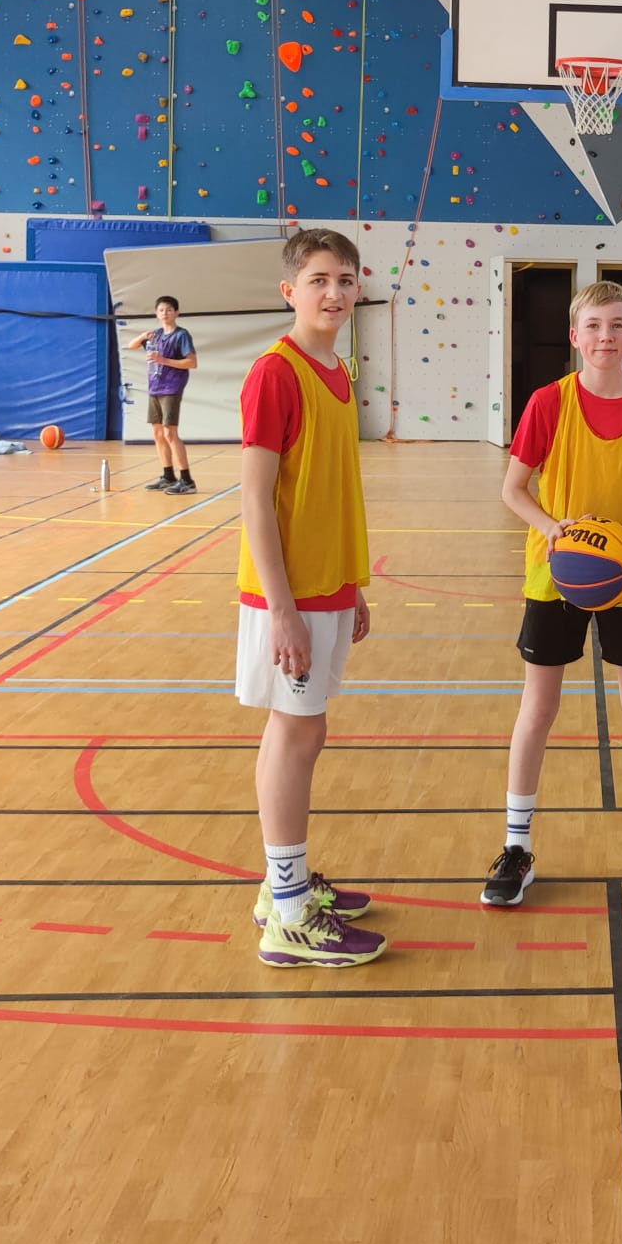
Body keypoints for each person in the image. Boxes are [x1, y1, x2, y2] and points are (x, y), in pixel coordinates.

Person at [481, 280, 622, 907]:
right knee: (539, 708)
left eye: (616, 325)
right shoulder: (549, 402)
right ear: (575, 336)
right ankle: (516, 847)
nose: (605, 336)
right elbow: (513, 489)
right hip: (557, 575)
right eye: (594, 326)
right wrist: (555, 530)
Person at [236, 230, 384, 967]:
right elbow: (255, 501)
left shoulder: (338, 371)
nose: (334, 292)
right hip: (288, 595)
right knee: (296, 736)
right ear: (289, 290)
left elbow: (332, 492)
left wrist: (352, 583)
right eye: (319, 279)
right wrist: (283, 609)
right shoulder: (276, 372)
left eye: (346, 280)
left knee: (300, 733)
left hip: (327, 585)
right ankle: (291, 917)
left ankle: (282, 887)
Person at [126, 296, 198, 495]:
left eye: (169, 310)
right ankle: (168, 475)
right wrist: (142, 336)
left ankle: (187, 480)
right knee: (157, 433)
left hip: (171, 387)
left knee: (170, 433)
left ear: (176, 313)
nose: (165, 313)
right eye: (161, 310)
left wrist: (163, 360)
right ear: (156, 314)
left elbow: (192, 362)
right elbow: (131, 345)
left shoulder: (181, 335)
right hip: (155, 387)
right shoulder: (155, 335)